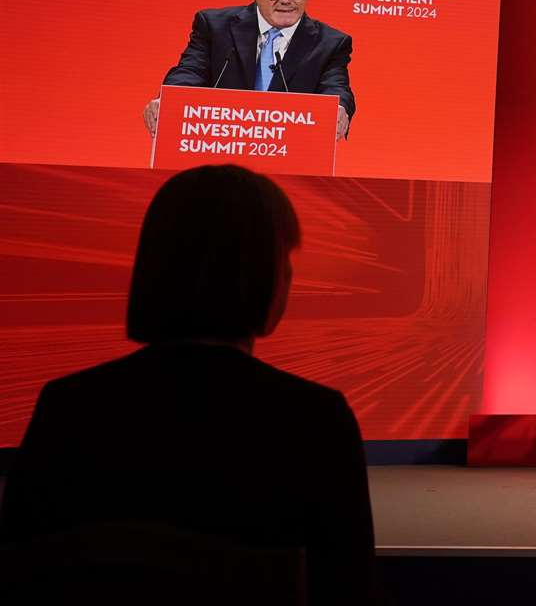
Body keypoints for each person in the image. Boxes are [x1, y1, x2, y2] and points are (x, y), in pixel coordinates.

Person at [0, 165, 377, 603]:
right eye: (285, 257)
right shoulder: (316, 423)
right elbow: (349, 590)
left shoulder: (67, 409)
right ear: (264, 273)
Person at [143, 0, 355, 141]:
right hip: (220, 147)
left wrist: (338, 109)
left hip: (287, 154)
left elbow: (336, 88)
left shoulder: (330, 43)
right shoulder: (215, 27)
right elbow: (190, 71)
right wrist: (169, 101)